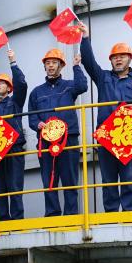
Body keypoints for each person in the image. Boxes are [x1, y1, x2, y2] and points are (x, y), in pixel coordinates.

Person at [78, 25, 132, 212]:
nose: (118, 59)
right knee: (108, 179)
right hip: (106, 135)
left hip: (128, 135)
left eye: (122, 56)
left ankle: (128, 213)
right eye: (114, 57)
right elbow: (88, 61)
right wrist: (85, 37)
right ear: (111, 60)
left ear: (130, 58)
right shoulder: (103, 77)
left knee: (128, 177)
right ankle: (111, 214)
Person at [28, 48, 89, 217]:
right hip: (46, 141)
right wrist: (37, 124)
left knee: (70, 178)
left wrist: (77, 67)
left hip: (68, 139)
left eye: (54, 62)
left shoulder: (70, 85)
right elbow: (31, 117)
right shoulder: (36, 92)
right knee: (49, 180)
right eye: (48, 63)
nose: (50, 66)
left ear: (61, 65)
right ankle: (52, 214)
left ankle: (71, 214)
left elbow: (83, 86)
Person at [0, 49, 29, 221]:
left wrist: (13, 63)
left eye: (1, 83)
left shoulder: (15, 102)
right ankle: (0, 220)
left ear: (9, 88)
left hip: (13, 150)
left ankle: (16, 220)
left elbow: (22, 85)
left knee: (15, 186)